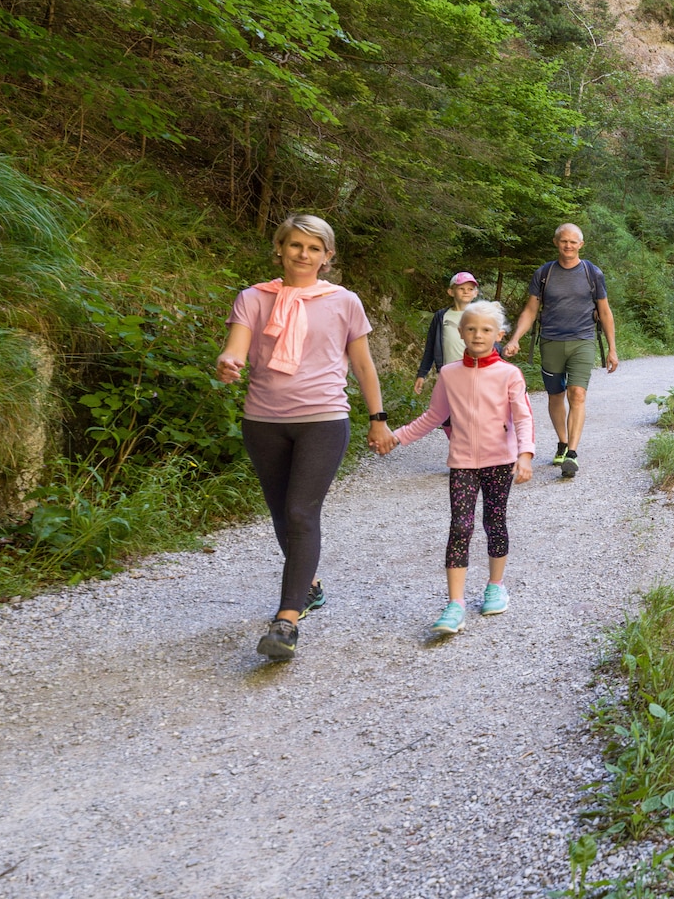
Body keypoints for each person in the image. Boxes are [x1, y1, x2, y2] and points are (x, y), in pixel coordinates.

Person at [216, 214, 394, 662]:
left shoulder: (344, 301)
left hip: (323, 418)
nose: (303, 254)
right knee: (281, 513)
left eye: (314, 248)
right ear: (280, 248)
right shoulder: (254, 298)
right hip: (263, 420)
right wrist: (229, 362)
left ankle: (286, 621)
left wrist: (378, 418)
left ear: (328, 257)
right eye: (295, 245)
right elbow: (236, 347)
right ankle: (309, 586)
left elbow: (364, 365)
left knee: (300, 509)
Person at [379, 300, 534, 635]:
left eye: (486, 330)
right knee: (460, 527)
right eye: (471, 328)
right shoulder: (449, 374)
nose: (478, 335)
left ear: (499, 335)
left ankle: (495, 585)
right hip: (462, 462)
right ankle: (455, 604)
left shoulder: (509, 373)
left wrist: (525, 455)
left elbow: (522, 417)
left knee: (495, 522)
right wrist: (398, 437)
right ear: (461, 333)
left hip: (500, 462)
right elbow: (434, 417)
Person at [503, 223, 617, 479]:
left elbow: (605, 311)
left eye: (573, 242)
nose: (568, 246)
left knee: (577, 393)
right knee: (555, 395)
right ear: (556, 243)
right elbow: (531, 310)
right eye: (564, 241)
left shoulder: (592, 273)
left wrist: (612, 349)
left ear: (581, 245)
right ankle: (562, 443)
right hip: (551, 341)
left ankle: (572, 455)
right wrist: (515, 339)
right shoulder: (544, 273)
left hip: (582, 340)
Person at [412, 271, 481, 396]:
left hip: (477, 373)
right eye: (461, 288)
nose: (466, 291)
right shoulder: (441, 316)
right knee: (449, 411)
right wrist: (422, 374)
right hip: (449, 375)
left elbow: (493, 345)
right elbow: (431, 346)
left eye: (470, 289)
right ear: (451, 292)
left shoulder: (481, 316)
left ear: (475, 293)